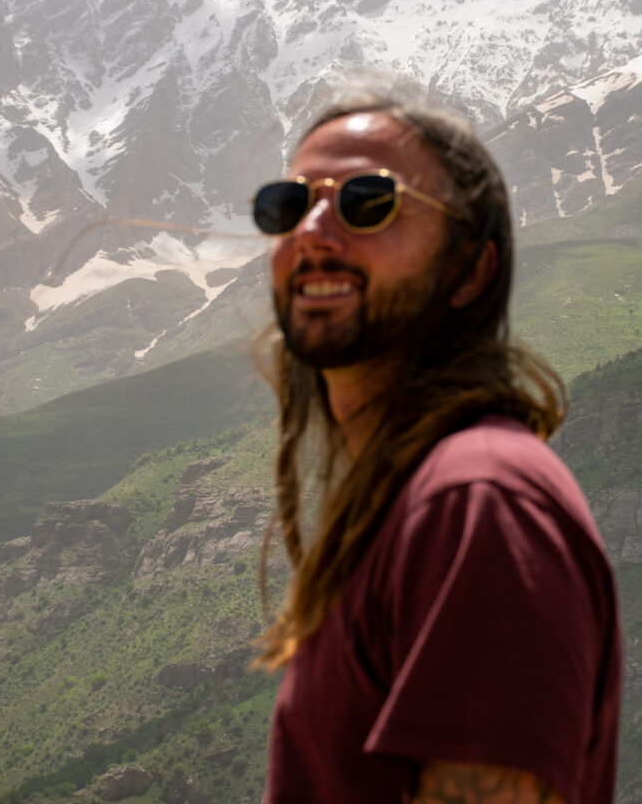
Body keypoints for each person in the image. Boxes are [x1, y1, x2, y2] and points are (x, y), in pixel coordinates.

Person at [250, 93, 621, 804]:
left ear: (470, 270)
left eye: (368, 202)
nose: (314, 231)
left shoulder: (478, 501)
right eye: (286, 205)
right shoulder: (416, 495)